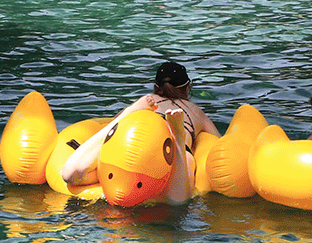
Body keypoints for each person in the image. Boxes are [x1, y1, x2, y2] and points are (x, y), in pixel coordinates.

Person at [60, 61, 220, 203]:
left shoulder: (148, 100)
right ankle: (178, 137)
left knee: (70, 175)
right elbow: (218, 143)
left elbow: (107, 129)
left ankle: (128, 113)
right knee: (179, 200)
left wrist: (130, 112)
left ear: (156, 87)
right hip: (172, 153)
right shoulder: (195, 111)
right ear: (187, 88)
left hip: (131, 145)